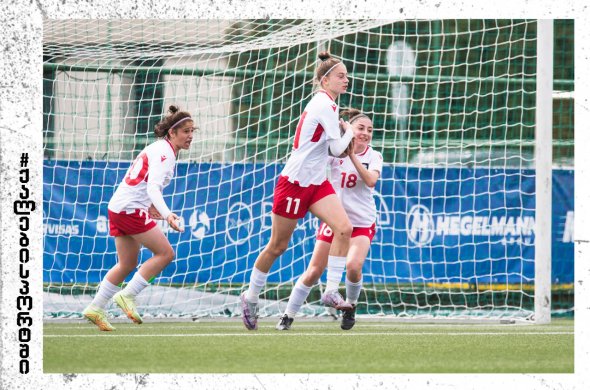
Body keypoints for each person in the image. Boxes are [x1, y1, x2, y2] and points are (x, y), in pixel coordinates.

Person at [240, 51, 356, 330]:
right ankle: (251, 296)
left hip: (316, 183)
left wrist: (344, 132)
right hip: (294, 182)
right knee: (278, 246)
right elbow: (338, 148)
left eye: (347, 76)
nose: (347, 80)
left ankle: (330, 290)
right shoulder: (324, 104)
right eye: (341, 76)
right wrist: (349, 131)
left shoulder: (329, 104)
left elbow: (330, 150)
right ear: (324, 80)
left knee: (344, 228)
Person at [82, 105, 195, 331]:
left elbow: (145, 185)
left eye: (192, 131)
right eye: (185, 131)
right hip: (129, 209)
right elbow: (153, 187)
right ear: (171, 133)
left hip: (120, 207)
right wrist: (167, 213)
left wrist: (151, 207)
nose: (190, 136)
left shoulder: (161, 149)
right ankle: (128, 296)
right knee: (165, 253)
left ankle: (95, 307)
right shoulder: (165, 153)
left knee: (128, 263)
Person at [276, 108, 383, 331]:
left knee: (354, 266)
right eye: (360, 128)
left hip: (362, 222)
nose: (365, 133)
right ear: (349, 130)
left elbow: (371, 181)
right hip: (335, 221)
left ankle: (350, 307)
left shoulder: (374, 156)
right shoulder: (332, 153)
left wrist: (352, 154)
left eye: (370, 130)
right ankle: (288, 315)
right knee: (314, 270)